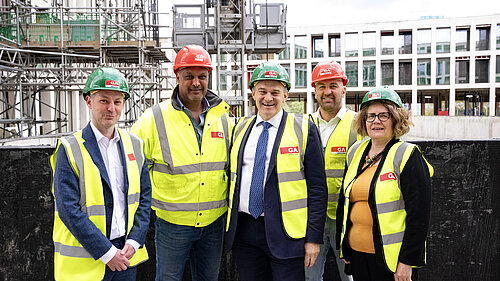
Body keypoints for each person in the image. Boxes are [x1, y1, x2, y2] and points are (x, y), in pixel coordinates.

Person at [131, 45, 232, 281]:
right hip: (172, 225)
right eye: (189, 76)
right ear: (177, 77)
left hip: (213, 223)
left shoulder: (224, 118)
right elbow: (133, 169)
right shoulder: (154, 118)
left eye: (201, 76)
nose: (196, 83)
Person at [225, 61, 328, 281]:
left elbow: (318, 188)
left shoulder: (303, 128)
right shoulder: (240, 129)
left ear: (286, 95)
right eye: (262, 91)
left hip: (287, 234)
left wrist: (312, 239)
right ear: (253, 93)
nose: (268, 98)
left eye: (275, 92)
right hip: (245, 232)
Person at [50, 67, 152, 281]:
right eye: (104, 101)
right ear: (89, 101)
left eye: (117, 102)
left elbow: (144, 198)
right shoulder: (70, 148)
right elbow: (69, 210)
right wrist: (107, 252)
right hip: (87, 262)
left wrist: (134, 241)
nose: (111, 108)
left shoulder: (135, 145)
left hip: (126, 254)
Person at [336, 86, 433, 281]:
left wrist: (407, 262)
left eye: (384, 115)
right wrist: (344, 246)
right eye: (370, 116)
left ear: (396, 119)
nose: (376, 121)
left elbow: (419, 216)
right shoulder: (356, 151)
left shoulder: (407, 155)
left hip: (392, 261)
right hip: (358, 256)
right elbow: (345, 201)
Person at [306, 61, 359, 281]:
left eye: (333, 85)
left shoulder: (359, 124)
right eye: (322, 86)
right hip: (312, 219)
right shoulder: (302, 124)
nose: (327, 91)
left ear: (344, 89)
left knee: (350, 276)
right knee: (309, 277)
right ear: (315, 90)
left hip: (347, 219)